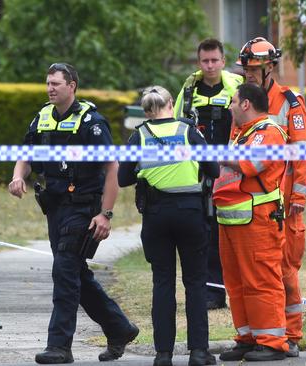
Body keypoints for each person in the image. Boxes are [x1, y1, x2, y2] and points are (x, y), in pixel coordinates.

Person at [8, 63, 138, 364]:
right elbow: (25, 154)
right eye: (48, 83)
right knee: (75, 271)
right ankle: (120, 329)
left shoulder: (91, 122)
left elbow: (112, 168)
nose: (51, 88)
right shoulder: (41, 118)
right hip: (55, 208)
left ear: (72, 85)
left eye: (56, 83)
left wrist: (106, 214)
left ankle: (59, 346)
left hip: (84, 207)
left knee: (64, 272)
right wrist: (18, 176)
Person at [118, 86, 219, 366]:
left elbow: (124, 178)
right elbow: (214, 170)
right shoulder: (189, 131)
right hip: (190, 213)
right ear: (171, 104)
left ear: (146, 109)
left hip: (156, 215)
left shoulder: (139, 135)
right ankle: (199, 352)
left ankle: (163, 354)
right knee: (196, 283)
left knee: (162, 282)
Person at [236, 36, 306, 357]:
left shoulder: (290, 102)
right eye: (246, 69)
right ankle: (259, 334)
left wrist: (298, 196)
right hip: (254, 202)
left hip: (285, 203)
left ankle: (291, 335)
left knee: (284, 270)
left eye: (254, 68)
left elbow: (302, 152)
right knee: (252, 273)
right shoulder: (243, 101)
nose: (248, 74)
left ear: (270, 67)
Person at [214, 83, 289, 362]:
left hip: (257, 219)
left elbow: (250, 165)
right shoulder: (243, 133)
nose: (230, 106)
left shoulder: (267, 132)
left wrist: (218, 155)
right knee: (236, 283)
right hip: (233, 218)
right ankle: (247, 338)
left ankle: (271, 342)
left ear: (246, 104)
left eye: (233, 101)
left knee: (261, 280)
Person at [173, 38, 243, 310]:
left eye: (215, 60)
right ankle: (210, 292)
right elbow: (176, 126)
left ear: (223, 61)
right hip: (199, 174)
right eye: (205, 61)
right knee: (203, 233)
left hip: (232, 171)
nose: (210, 65)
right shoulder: (189, 89)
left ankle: (231, 288)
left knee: (229, 232)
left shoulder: (236, 87)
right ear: (199, 62)